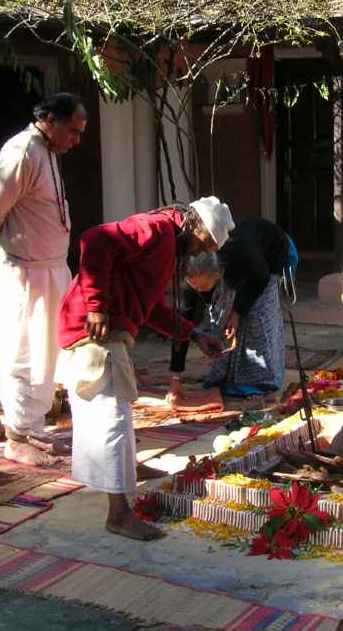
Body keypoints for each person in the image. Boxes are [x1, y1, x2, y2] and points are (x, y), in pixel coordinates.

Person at [56, 197, 232, 541]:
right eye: (203, 243)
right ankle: (118, 514)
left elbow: (149, 307)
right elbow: (95, 239)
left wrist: (193, 334)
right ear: (194, 225)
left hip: (109, 329)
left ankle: (127, 469)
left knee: (119, 408)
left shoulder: (168, 243)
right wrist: (96, 306)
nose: (198, 252)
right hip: (92, 328)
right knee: (111, 417)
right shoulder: (156, 230)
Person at [0, 91, 87, 466]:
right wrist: (2, 251)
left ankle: (34, 431)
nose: (76, 140)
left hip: (49, 270)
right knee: (22, 353)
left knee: (47, 353)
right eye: (73, 131)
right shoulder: (22, 152)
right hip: (22, 274)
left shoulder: (46, 152)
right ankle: (16, 437)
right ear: (50, 121)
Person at [172, 218, 298, 397]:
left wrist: (237, 312)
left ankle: (262, 379)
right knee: (220, 318)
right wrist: (176, 374)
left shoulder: (241, 254)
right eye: (197, 288)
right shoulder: (192, 278)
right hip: (246, 263)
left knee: (257, 318)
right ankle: (226, 375)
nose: (200, 293)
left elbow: (260, 277)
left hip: (273, 256)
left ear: (218, 273)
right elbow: (182, 322)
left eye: (205, 288)